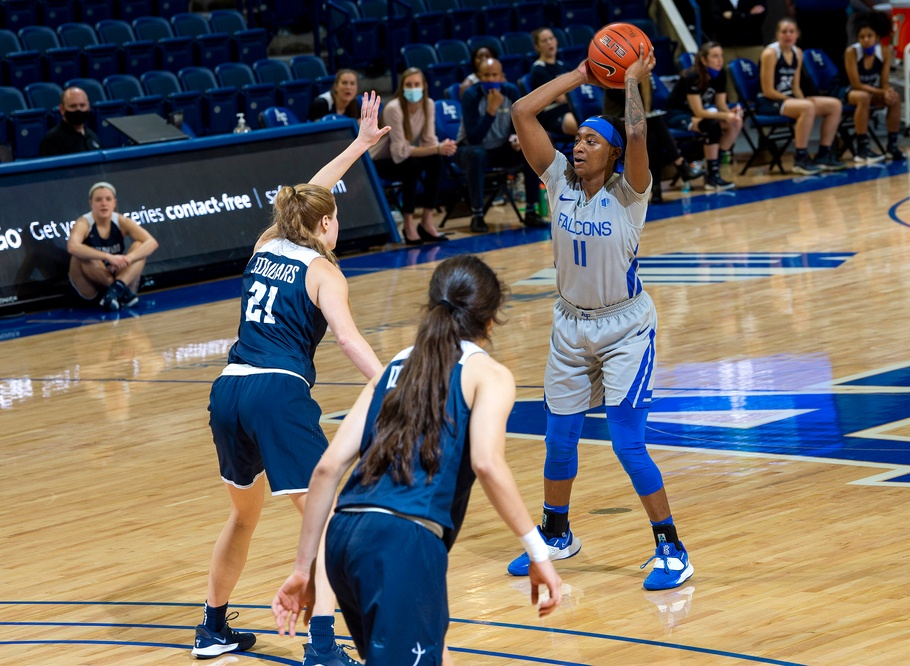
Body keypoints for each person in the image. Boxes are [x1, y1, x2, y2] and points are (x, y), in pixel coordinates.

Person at [272, 254, 562, 665]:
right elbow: (487, 463)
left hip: (344, 539)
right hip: (401, 543)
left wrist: (304, 569)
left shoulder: (392, 367)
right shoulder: (487, 374)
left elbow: (326, 468)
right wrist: (538, 552)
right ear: (491, 319)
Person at [191, 92, 388, 665]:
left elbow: (308, 194)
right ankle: (324, 649)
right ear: (325, 224)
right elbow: (349, 339)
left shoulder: (266, 244)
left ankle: (212, 627)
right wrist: (391, 382)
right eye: (335, 218)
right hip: (276, 392)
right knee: (324, 525)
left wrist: (358, 145)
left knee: (243, 514)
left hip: (227, 390)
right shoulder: (325, 270)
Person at [507, 47, 695, 591]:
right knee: (558, 440)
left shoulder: (630, 194)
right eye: (577, 139)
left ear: (613, 156)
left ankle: (672, 547)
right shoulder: (558, 180)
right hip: (569, 326)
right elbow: (523, 114)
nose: (578, 145)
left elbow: (636, 136)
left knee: (627, 444)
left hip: (625, 329)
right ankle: (557, 533)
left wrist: (632, 81)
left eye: (592, 141)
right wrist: (580, 75)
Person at [457, 56, 547, 232]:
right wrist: (491, 110)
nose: (490, 79)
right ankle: (477, 215)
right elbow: (474, 137)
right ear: (479, 77)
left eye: (494, 75)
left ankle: (531, 210)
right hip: (469, 150)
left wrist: (517, 138)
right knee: (477, 153)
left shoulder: (511, 92)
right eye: (486, 75)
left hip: (500, 149)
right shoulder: (470, 96)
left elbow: (519, 126)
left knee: (530, 148)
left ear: (501, 76)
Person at [369, 67, 456, 245]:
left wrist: (441, 148)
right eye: (408, 85)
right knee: (412, 166)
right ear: (402, 88)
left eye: (416, 84)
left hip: (403, 157)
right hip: (380, 161)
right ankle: (408, 224)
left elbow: (429, 142)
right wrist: (438, 148)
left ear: (424, 86)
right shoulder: (394, 108)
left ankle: (427, 221)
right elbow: (399, 152)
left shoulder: (428, 104)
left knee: (436, 161)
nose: (413, 88)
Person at [759, 18, 845, 175]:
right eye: (784, 32)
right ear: (777, 34)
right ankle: (800, 158)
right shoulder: (770, 53)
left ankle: (824, 154)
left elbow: (796, 86)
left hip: (789, 99)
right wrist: (796, 102)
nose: (788, 35)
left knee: (835, 104)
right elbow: (767, 91)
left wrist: (800, 99)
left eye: (792, 32)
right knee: (807, 107)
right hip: (769, 101)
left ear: (798, 34)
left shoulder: (798, 52)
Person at [603, 82, 704, 202]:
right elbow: (630, 106)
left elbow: (647, 108)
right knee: (655, 122)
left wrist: (644, 83)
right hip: (616, 123)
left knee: (652, 137)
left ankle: (656, 188)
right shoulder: (615, 81)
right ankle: (679, 165)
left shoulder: (645, 80)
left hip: (637, 124)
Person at [66, 182, 158, 311]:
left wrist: (128, 259)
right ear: (91, 203)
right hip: (92, 286)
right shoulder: (83, 223)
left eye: (108, 199)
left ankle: (116, 290)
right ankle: (118, 291)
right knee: (82, 254)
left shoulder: (121, 221)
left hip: (117, 277)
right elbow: (72, 247)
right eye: (98, 200)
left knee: (139, 246)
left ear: (114, 203)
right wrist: (108, 257)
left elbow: (152, 243)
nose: (104, 203)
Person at [664, 41, 743, 190]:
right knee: (711, 126)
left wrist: (730, 113)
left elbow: (721, 104)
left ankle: (713, 167)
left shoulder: (721, 74)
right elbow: (698, 111)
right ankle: (712, 176)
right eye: (715, 56)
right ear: (704, 60)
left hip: (697, 113)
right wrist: (723, 116)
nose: (720, 60)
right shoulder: (692, 76)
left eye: (721, 56)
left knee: (736, 122)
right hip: (677, 114)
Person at [839, 11, 904, 161]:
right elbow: (856, 84)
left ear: (877, 37)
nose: (866, 40)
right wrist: (882, 91)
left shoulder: (885, 52)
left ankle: (892, 146)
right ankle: (863, 148)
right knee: (863, 97)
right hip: (846, 90)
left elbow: (884, 82)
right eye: (862, 37)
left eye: (869, 36)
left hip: (870, 91)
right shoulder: (852, 52)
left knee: (895, 98)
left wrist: (887, 92)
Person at [710, 0, 767, 101]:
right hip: (726, 46)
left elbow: (758, 20)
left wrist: (732, 16)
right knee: (729, 83)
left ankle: (756, 110)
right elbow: (716, 20)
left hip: (752, 45)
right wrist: (746, 16)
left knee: (757, 79)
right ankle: (734, 111)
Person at [528, 28, 579, 137]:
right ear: (537, 46)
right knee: (587, 128)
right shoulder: (538, 69)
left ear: (556, 41)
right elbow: (560, 98)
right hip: (554, 114)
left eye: (551, 38)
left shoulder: (563, 65)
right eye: (544, 40)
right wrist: (575, 93)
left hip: (573, 108)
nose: (549, 42)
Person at [39, 87, 101, 157]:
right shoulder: (52, 140)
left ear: (88, 107)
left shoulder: (92, 136)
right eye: (73, 106)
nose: (78, 109)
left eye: (82, 105)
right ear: (62, 109)